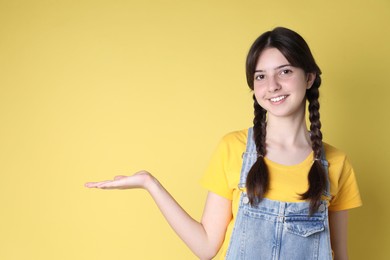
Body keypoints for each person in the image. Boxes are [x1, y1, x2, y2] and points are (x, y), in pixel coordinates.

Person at [85, 27, 362, 260]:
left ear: (309, 77)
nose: (272, 85)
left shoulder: (336, 164)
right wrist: (149, 183)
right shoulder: (234, 149)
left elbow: (340, 254)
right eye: (261, 76)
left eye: (285, 71)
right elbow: (206, 247)